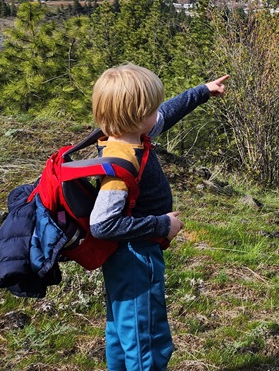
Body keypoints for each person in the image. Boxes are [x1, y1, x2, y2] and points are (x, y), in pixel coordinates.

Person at [89, 63, 229, 370]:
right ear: (138, 116)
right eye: (152, 108)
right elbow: (102, 224)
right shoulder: (122, 160)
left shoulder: (126, 136)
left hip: (126, 256)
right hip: (135, 258)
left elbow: (168, 112)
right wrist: (162, 224)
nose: (158, 114)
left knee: (121, 329)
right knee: (145, 337)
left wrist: (202, 91)